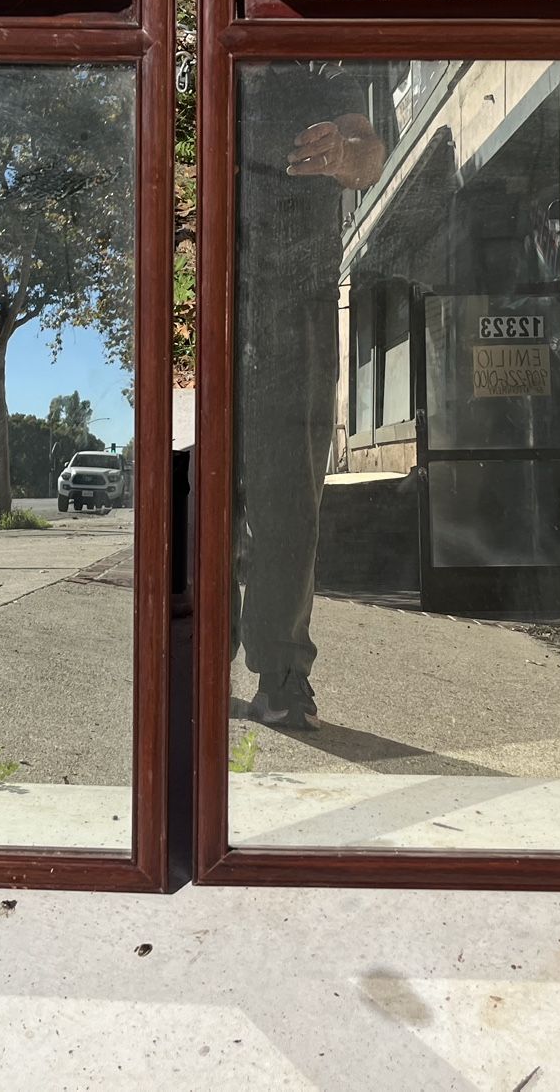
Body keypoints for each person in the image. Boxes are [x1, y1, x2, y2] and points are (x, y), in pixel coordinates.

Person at [235, 63, 388, 728]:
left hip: (294, 300)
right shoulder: (192, 62)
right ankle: (192, 661)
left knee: (290, 494)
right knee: (194, 489)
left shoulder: (317, 68)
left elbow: (367, 151)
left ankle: (282, 674)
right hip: (198, 294)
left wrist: (349, 153)